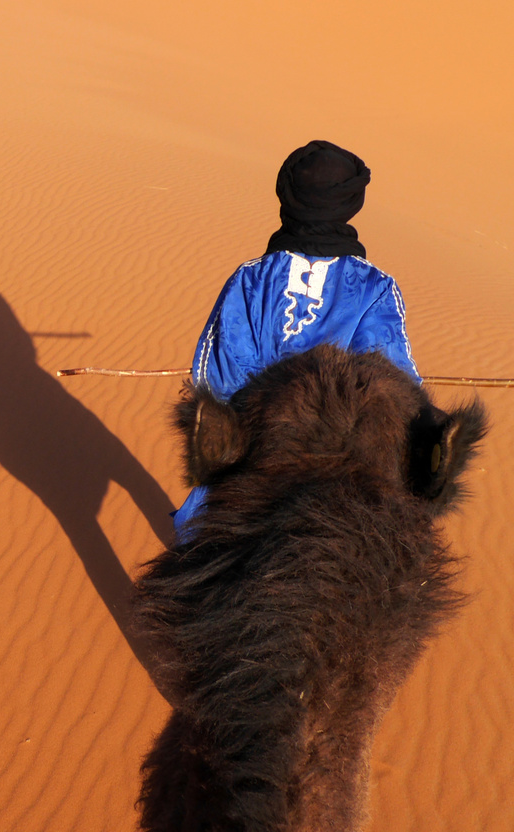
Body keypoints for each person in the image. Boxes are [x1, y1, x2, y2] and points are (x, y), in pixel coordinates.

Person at [173, 140, 420, 542]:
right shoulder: (375, 288)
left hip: (254, 446)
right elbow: (393, 383)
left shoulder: (250, 279)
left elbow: (215, 377)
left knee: (207, 539)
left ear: (287, 198)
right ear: (350, 203)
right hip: (334, 458)